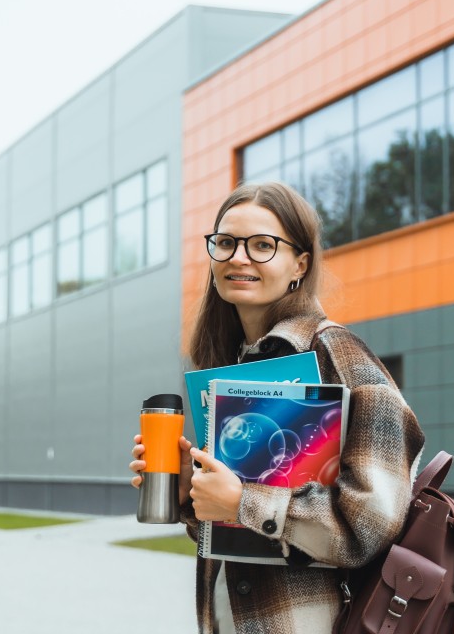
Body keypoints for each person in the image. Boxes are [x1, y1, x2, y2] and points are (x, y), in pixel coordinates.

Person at [130, 182, 425, 633]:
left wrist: (243, 500)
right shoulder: (233, 367)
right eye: (225, 243)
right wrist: (195, 492)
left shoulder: (337, 353)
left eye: (263, 245)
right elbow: (247, 539)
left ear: (299, 264)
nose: (238, 257)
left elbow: (372, 521)